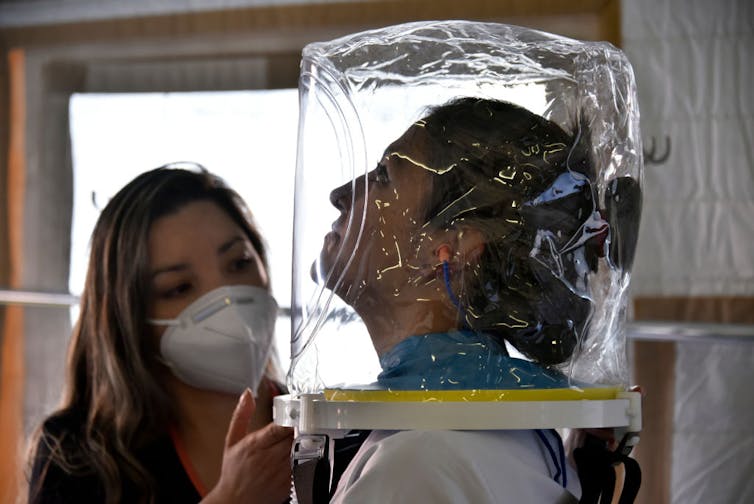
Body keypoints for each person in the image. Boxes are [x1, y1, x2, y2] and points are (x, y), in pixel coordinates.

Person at [315, 97, 637, 502]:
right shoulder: (503, 435)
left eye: (383, 176)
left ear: (449, 249)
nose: (340, 194)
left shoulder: (417, 464)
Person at [26, 165, 294, 504]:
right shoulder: (79, 455)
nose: (227, 296)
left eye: (239, 262)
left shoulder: (322, 426)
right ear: (131, 318)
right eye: (179, 287)